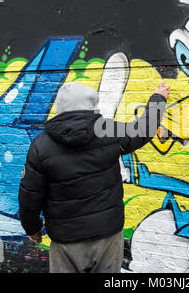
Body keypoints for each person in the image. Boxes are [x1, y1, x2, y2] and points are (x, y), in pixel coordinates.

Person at [18, 80, 170, 273]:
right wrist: (158, 100)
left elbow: (29, 194)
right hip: (107, 235)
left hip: (66, 240)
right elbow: (142, 130)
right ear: (90, 106)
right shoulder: (108, 131)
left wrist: (32, 227)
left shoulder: (41, 145)